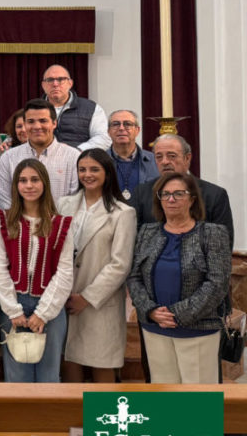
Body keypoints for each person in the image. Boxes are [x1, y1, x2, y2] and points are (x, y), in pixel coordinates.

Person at [126, 172, 231, 384]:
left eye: (178, 194)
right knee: (164, 395)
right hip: (155, 329)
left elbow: (217, 283)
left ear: (192, 199)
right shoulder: (147, 232)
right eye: (165, 194)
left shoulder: (212, 233)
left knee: (197, 402)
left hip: (198, 330)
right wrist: (150, 310)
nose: (171, 199)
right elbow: (134, 276)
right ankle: (169, 420)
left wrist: (177, 314)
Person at [56, 149, 136, 383]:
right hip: (66, 298)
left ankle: (103, 419)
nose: (87, 174)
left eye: (94, 169)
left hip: (99, 303)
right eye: (82, 169)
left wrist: (86, 298)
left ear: (107, 173)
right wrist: (63, 293)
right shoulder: (64, 204)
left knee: (102, 363)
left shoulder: (123, 213)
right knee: (69, 360)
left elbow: (120, 264)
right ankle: (73, 419)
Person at [0, 159, 74, 383]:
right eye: (23, 180)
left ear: (45, 183)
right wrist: (13, 310)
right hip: (14, 306)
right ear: (16, 186)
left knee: (49, 375)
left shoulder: (60, 224)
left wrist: (43, 314)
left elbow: (65, 272)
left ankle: (47, 420)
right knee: (16, 376)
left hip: (50, 308)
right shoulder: (4, 220)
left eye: (35, 180)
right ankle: (19, 420)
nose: (29, 185)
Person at [129, 135, 234, 246]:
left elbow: (223, 244)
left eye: (172, 156)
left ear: (187, 158)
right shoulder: (141, 193)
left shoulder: (214, 195)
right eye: (159, 157)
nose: (164, 161)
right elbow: (134, 240)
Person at [0, 99, 80, 209]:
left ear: (54, 123)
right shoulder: (8, 158)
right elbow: (4, 199)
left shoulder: (73, 157)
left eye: (43, 121)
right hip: (19, 225)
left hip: (62, 223)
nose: (37, 126)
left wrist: (57, 223)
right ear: (25, 124)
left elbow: (75, 199)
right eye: (31, 121)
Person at [41, 64, 110, 150]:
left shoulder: (91, 108)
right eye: (50, 80)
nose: (55, 84)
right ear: (43, 85)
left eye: (60, 79)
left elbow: (104, 138)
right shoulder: (33, 109)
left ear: (70, 83)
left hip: (79, 159)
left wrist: (76, 151)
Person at [106, 109, 158, 200]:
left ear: (137, 130)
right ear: (108, 131)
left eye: (127, 124)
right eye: (115, 124)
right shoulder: (99, 161)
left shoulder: (155, 161)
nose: (121, 128)